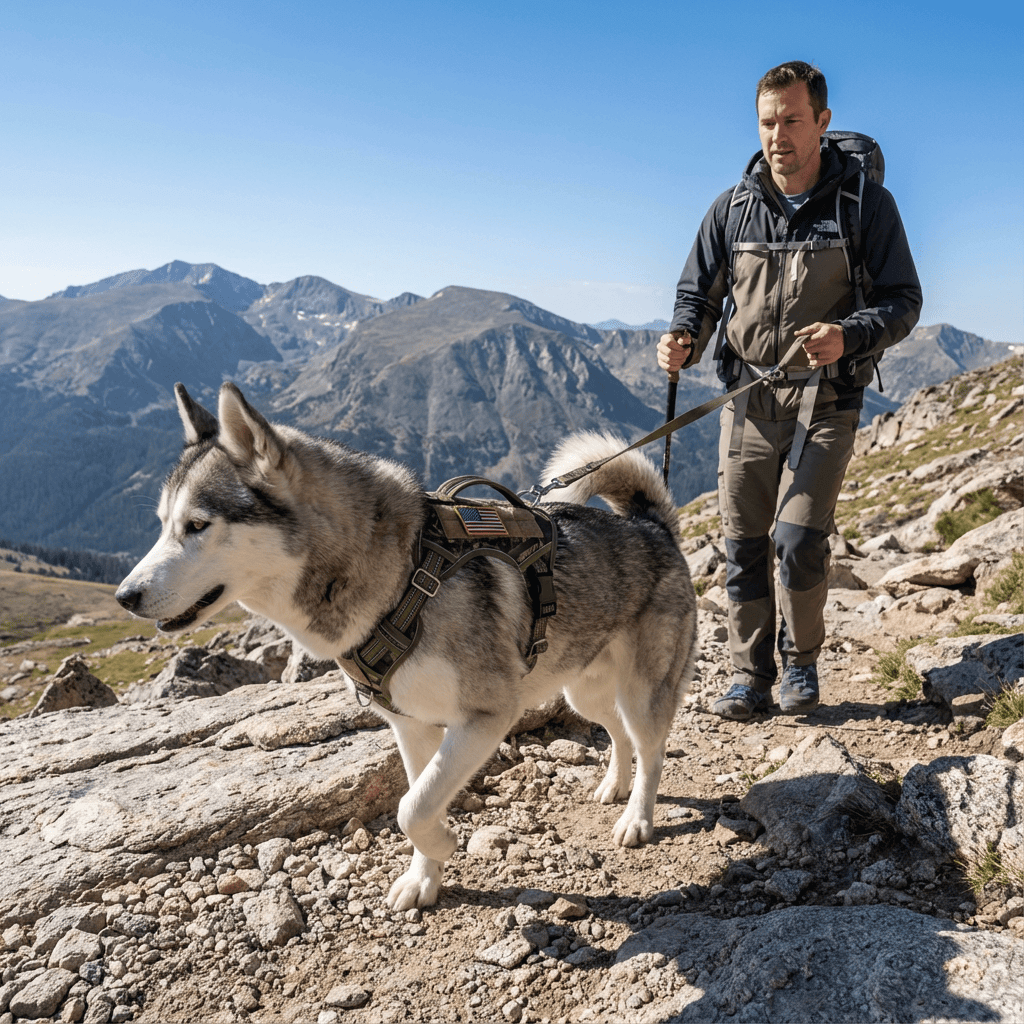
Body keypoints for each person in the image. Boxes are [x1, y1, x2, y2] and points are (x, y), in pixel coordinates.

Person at [657, 61, 922, 720]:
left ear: (822, 122)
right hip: (746, 399)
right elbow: (699, 292)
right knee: (742, 544)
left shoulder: (865, 205)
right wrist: (684, 334)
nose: (778, 135)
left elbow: (903, 300)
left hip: (826, 402)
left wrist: (850, 335)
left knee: (799, 540)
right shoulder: (733, 208)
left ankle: (800, 660)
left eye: (792, 120)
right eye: (768, 121)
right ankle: (750, 675)